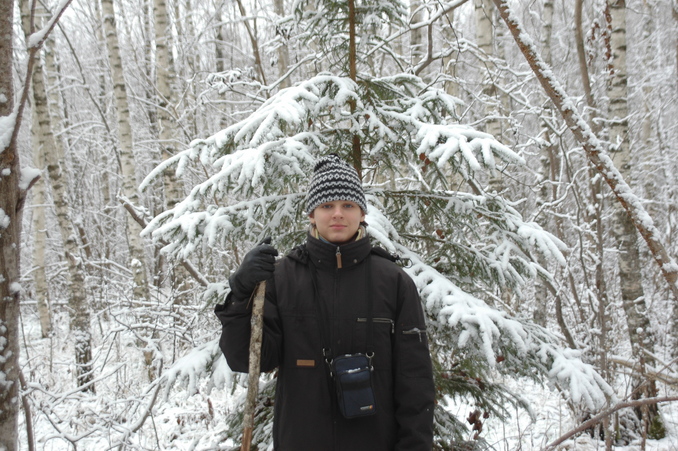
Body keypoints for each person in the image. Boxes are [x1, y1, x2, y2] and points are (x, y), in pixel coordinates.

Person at [215, 154, 435, 450]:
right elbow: (249, 360)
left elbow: (415, 379)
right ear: (311, 214)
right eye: (327, 205)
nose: (337, 214)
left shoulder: (393, 282)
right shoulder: (283, 278)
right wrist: (241, 293)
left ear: (362, 213)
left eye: (348, 205)